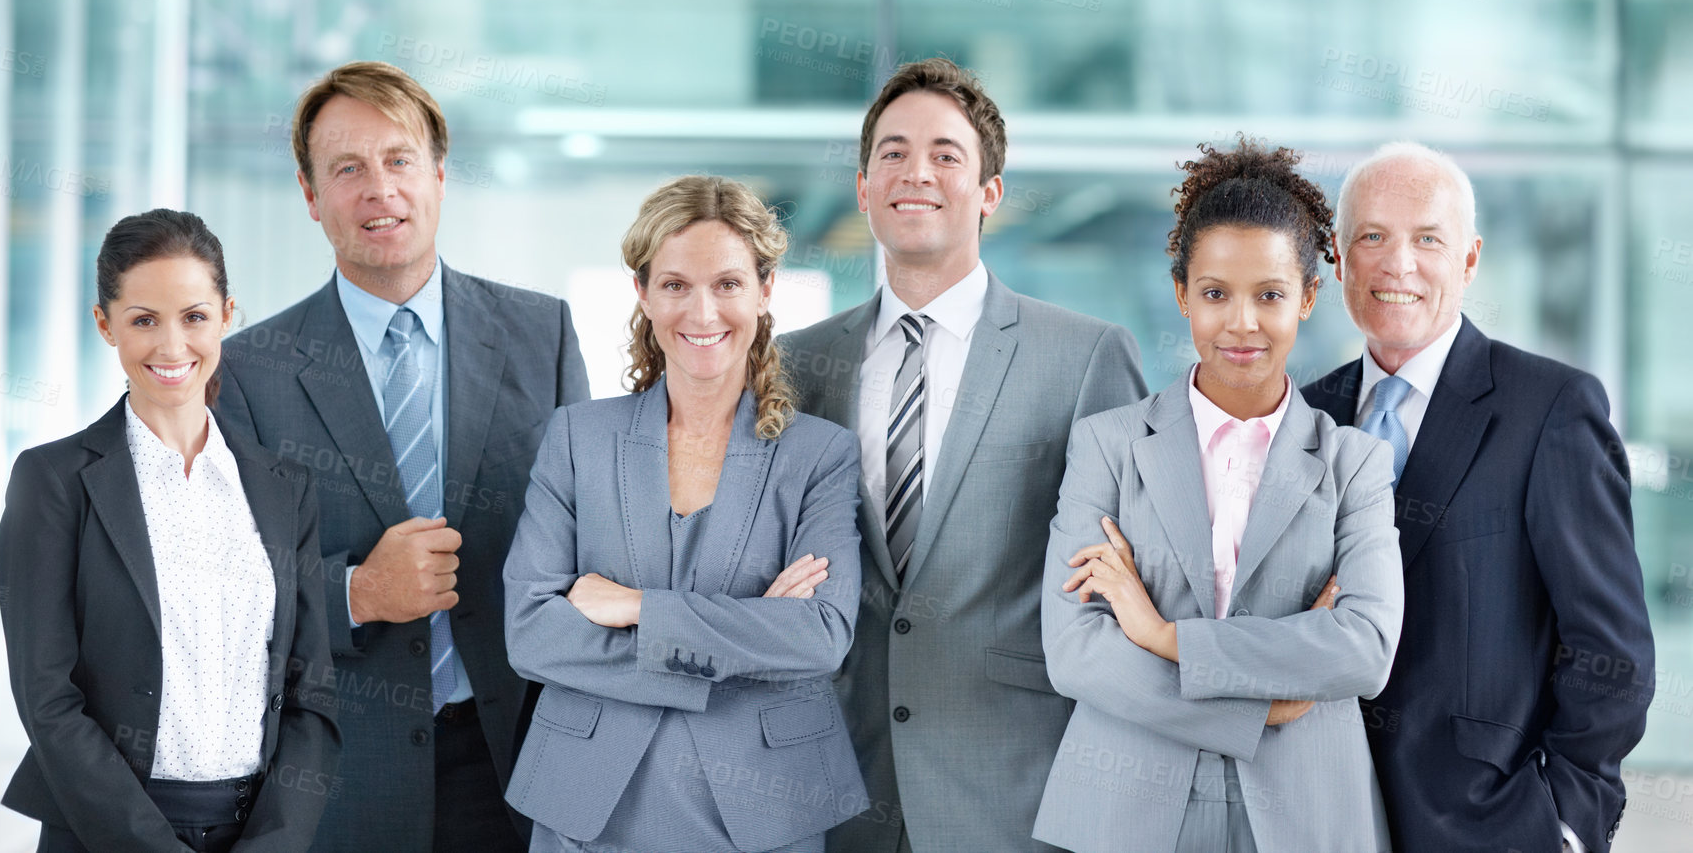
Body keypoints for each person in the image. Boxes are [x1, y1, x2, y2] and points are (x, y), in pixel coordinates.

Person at [214, 62, 590, 853]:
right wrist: (354, 592)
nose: (379, 189)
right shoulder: (249, 370)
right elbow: (223, 593)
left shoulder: (541, 334)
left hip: (518, 768)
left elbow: (590, 539)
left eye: (399, 159)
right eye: (347, 168)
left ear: (439, 177)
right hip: (339, 782)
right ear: (312, 198)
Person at [780, 58, 1147, 853]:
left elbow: (1128, 581)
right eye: (893, 153)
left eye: (947, 154)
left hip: (1013, 786)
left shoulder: (1084, 356)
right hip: (836, 783)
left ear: (990, 193)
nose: (917, 172)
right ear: (863, 188)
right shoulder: (796, 364)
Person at [1033, 138, 1404, 853]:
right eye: (1214, 294)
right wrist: (1259, 710)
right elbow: (1075, 650)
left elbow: (1363, 649)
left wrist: (1162, 635)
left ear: (1307, 297)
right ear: (1182, 295)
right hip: (1126, 810)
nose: (1241, 323)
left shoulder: (1354, 463)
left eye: (1269, 294)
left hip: (1308, 816)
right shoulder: (1107, 445)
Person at [1301, 141, 1653, 853]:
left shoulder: (1549, 408)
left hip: (1491, 828)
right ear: (1339, 255)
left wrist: (1564, 822)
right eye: (1372, 236)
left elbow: (1610, 649)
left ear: (1468, 259)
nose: (1398, 264)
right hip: (1319, 818)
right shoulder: (1303, 419)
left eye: (1428, 239)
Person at [502, 175, 866, 852]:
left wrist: (641, 607)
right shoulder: (579, 438)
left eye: (727, 284)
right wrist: (751, 633)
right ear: (642, 292)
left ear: (765, 290)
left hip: (764, 808)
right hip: (589, 805)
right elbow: (531, 634)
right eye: (675, 285)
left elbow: (818, 637)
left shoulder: (819, 455)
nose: (702, 313)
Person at [0, 209, 340, 853]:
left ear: (227, 315)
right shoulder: (53, 481)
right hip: (104, 833)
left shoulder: (284, 487)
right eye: (144, 320)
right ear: (106, 325)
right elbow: (47, 698)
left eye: (194, 316)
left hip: (256, 831)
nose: (172, 346)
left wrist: (275, 842)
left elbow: (310, 691)